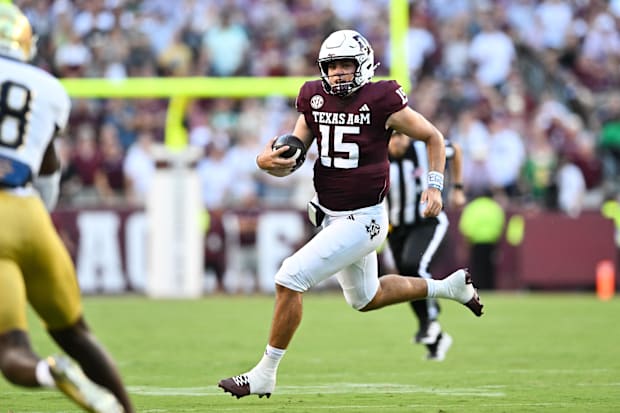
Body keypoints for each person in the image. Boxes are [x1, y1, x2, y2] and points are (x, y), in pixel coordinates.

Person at [218, 29, 483, 399]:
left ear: (364, 65)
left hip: (365, 219)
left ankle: (265, 373)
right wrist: (265, 162)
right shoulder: (312, 97)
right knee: (366, 298)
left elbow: (434, 137)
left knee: (289, 277)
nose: (340, 73)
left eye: (346, 65)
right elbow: (292, 157)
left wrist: (435, 185)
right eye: (333, 66)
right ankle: (449, 287)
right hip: (329, 214)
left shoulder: (383, 99)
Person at [0, 4, 134, 413]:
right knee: (76, 332)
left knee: (12, 349)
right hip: (29, 213)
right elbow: (47, 166)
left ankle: (49, 372)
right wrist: (38, 218)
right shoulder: (49, 88)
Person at [385, 131, 466, 361]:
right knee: (407, 281)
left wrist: (458, 188)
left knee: (414, 265)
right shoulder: (379, 155)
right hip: (396, 227)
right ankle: (436, 338)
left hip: (427, 221)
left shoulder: (423, 148)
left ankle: (429, 320)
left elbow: (455, 149)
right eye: (391, 137)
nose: (396, 142)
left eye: (400, 136)